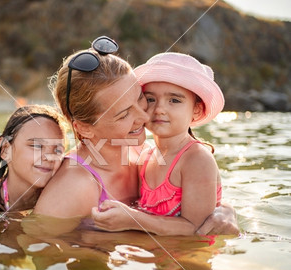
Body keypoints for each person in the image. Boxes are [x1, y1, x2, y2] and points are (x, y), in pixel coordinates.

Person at [33, 36, 238, 235]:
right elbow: (35, 247)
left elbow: (191, 203)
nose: (144, 115)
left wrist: (225, 210)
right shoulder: (74, 186)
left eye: (140, 98)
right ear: (85, 128)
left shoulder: (143, 153)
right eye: (124, 114)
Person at [94, 52, 224, 235]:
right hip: (157, 257)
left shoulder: (196, 159)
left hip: (190, 260)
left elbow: (196, 230)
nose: (160, 109)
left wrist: (132, 219)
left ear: (196, 109)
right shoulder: (146, 156)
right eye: (150, 99)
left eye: (174, 100)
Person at [0, 105, 67, 213]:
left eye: (58, 150)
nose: (49, 157)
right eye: (36, 146)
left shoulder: (62, 192)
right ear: (5, 149)